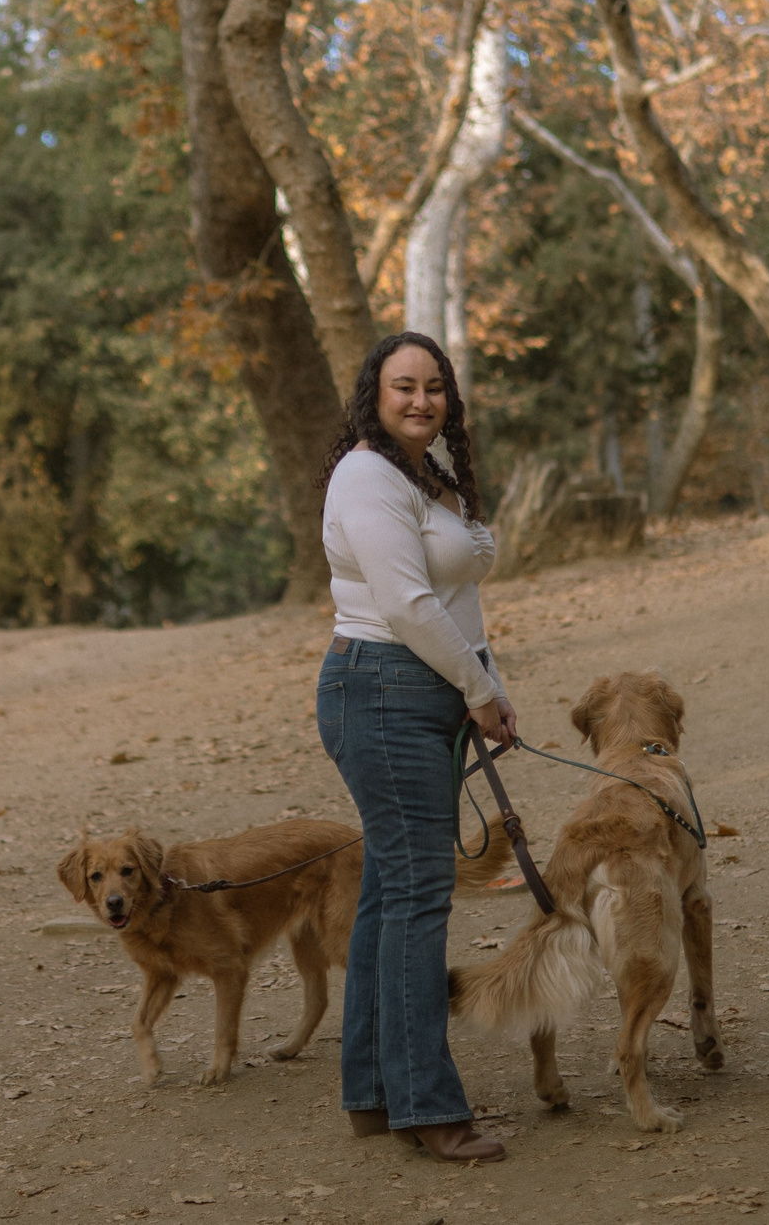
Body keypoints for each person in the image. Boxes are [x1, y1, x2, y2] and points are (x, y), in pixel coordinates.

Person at [314, 331, 516, 1164]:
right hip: (383, 688)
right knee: (416, 900)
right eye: (403, 386)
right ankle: (426, 1106)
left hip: (423, 688)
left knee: (389, 897)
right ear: (374, 392)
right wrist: (479, 689)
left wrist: (482, 683)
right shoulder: (366, 475)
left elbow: (450, 600)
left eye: (434, 387)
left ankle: (372, 1093)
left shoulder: (424, 474)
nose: (421, 401)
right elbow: (402, 602)